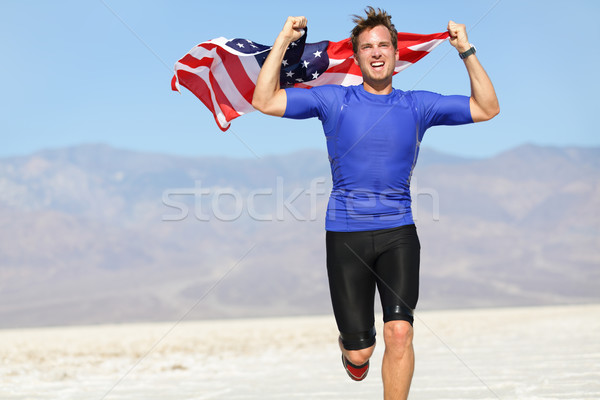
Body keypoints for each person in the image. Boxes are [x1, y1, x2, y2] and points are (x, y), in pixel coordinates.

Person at [252, 6, 499, 400]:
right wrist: (284, 40)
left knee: (399, 331)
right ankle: (353, 353)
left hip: (398, 232)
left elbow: (487, 108)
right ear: (356, 56)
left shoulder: (418, 105)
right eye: (368, 46)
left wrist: (465, 50)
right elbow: (264, 100)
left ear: (397, 53)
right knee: (361, 349)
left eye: (384, 44)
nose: (377, 52)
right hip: (346, 236)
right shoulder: (334, 101)